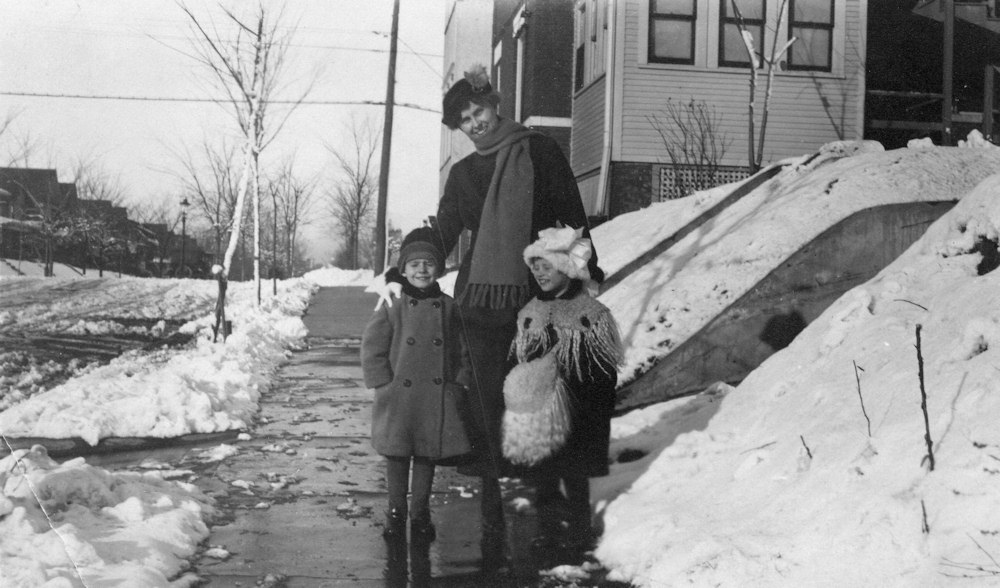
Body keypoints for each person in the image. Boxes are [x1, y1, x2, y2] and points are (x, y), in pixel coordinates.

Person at [378, 65, 603, 574]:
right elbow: (446, 228)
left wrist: (587, 269)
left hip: (537, 293)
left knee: (544, 392)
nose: (473, 123)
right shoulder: (464, 174)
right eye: (463, 120)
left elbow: (571, 214)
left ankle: (552, 500)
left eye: (476, 112)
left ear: (494, 103)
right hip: (480, 301)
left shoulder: (540, 152)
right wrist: (414, 259)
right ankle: (492, 502)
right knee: (486, 401)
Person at [501, 226, 623, 563]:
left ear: (566, 269)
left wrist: (596, 401)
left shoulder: (591, 313)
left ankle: (580, 531)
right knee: (544, 474)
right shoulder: (529, 311)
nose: (539, 273)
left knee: (575, 473)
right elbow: (518, 357)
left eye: (547, 266)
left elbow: (604, 367)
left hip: (581, 407)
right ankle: (548, 529)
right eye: (535, 267)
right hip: (541, 408)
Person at [362, 227, 473, 545]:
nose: (421, 270)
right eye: (414, 265)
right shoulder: (393, 303)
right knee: (396, 458)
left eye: (428, 264)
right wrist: (382, 383)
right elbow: (372, 347)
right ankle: (395, 514)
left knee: (427, 457)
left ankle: (420, 514)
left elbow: (461, 348)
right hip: (398, 397)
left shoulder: (449, 306)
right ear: (404, 269)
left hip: (434, 397)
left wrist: (459, 383)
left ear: (437, 268)